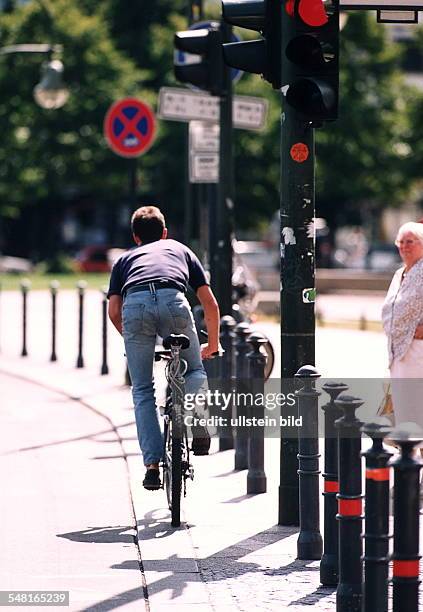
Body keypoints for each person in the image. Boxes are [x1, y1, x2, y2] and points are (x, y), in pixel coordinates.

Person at [107, 206, 220, 490]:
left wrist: (133, 340)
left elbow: (113, 309)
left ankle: (152, 466)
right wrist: (214, 344)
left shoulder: (124, 260)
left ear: (135, 237)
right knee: (194, 368)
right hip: (174, 300)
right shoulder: (180, 250)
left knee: (142, 389)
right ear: (165, 233)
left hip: (135, 307)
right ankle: (197, 421)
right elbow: (210, 303)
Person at [381, 221, 423, 428]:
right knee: (404, 405)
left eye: (411, 242)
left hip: (417, 350)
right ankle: (409, 450)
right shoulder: (400, 274)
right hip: (398, 351)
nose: (405, 246)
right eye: (401, 242)